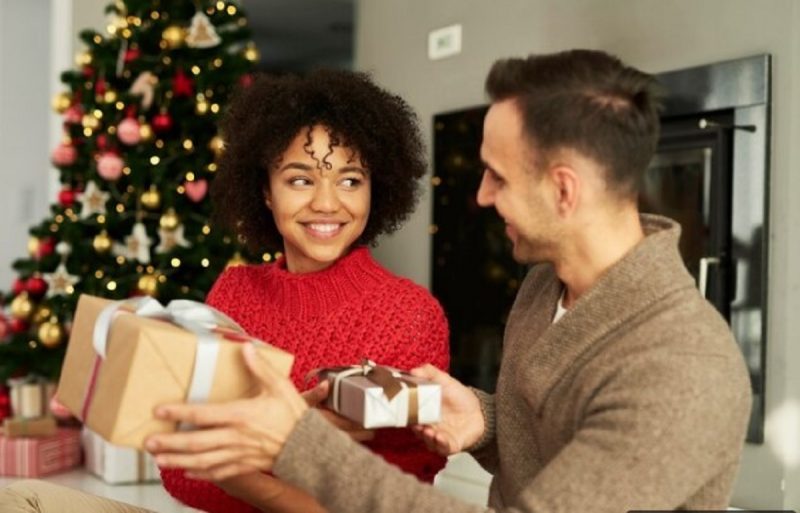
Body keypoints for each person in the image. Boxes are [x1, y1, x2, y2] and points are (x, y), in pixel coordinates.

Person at [144, 49, 753, 513]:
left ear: (563, 189)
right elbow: (554, 441)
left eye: (497, 176)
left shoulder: (682, 368)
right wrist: (486, 422)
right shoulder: (546, 288)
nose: (482, 196)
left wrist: (288, 442)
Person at [0, 70, 449, 513]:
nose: (328, 203)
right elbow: (179, 476)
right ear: (266, 193)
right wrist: (272, 452)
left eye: (350, 180)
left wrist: (248, 459)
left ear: (378, 188)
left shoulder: (410, 314)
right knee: (20, 499)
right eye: (300, 179)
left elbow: (393, 504)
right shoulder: (235, 292)